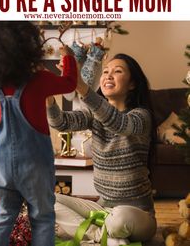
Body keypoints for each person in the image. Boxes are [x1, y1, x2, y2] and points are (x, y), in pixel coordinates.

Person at [0, 21, 77, 246]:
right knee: (42, 218)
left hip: (2, 165)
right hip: (35, 165)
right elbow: (70, 84)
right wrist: (68, 57)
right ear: (27, 46)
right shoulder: (40, 80)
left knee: (2, 218)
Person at [46, 53, 157, 245]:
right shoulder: (93, 114)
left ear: (132, 84)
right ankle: (100, 236)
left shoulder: (141, 117)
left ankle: (95, 233)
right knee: (43, 199)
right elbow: (61, 122)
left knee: (119, 220)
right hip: (102, 209)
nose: (108, 75)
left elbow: (119, 124)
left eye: (118, 71)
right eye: (105, 71)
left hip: (136, 214)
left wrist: (80, 85)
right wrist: (47, 97)